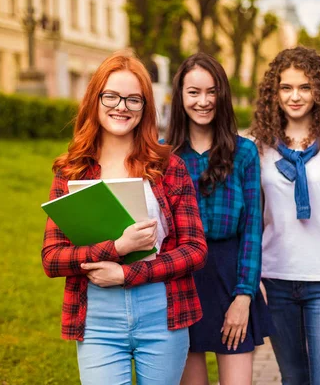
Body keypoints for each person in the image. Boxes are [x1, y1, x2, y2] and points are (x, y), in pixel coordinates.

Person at [41, 51, 207, 385]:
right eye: (112, 96)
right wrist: (116, 247)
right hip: (98, 321)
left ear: (145, 107)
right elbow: (52, 259)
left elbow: (194, 250)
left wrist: (126, 274)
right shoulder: (72, 170)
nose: (122, 106)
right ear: (95, 99)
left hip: (161, 316)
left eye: (134, 99)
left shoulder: (168, 166)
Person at [250, 46, 320, 384]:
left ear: (319, 91)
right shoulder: (257, 145)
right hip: (276, 278)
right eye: (286, 87)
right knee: (293, 378)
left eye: (304, 87)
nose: (295, 96)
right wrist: (254, 275)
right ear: (275, 92)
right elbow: (253, 216)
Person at [164, 52, 270, 385]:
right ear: (180, 96)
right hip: (181, 279)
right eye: (194, 92)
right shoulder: (164, 156)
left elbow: (253, 230)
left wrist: (244, 296)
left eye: (211, 92)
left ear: (221, 95)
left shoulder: (245, 152)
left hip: (231, 275)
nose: (203, 101)